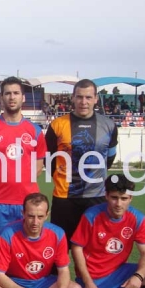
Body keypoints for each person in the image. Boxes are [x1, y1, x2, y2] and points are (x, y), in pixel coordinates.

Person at [0, 76, 46, 286]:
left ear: (23, 97)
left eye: (15, 93)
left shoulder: (35, 131)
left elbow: (39, 164)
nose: (11, 97)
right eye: (7, 93)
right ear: (1, 98)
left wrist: (23, 182)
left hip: (27, 202)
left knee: (26, 246)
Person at [45, 79, 119, 243]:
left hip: (96, 197)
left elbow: (109, 158)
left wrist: (94, 176)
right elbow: (48, 159)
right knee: (61, 246)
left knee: (93, 247)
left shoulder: (109, 126)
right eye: (79, 97)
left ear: (95, 99)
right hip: (64, 197)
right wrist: (62, 177)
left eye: (88, 97)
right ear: (72, 98)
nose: (83, 102)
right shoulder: (57, 125)